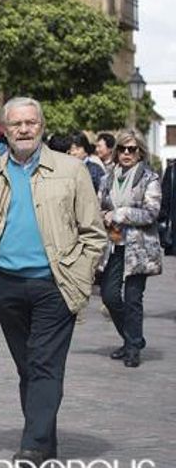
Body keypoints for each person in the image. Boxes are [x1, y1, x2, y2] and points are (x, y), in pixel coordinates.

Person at [0, 97, 106, 464]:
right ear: (5, 129)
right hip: (6, 286)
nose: (24, 129)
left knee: (44, 363)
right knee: (28, 366)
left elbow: (94, 234)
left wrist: (80, 273)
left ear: (41, 126)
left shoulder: (71, 170)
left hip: (55, 285)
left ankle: (33, 447)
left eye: (30, 123)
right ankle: (45, 444)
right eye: (16, 124)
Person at [98, 130, 163, 368]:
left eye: (132, 149)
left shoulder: (149, 178)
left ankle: (133, 347)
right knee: (109, 295)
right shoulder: (107, 177)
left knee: (133, 299)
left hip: (139, 249)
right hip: (113, 245)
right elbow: (99, 205)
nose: (126, 153)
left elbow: (151, 213)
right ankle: (131, 338)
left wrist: (120, 214)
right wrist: (103, 214)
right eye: (122, 149)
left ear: (140, 152)